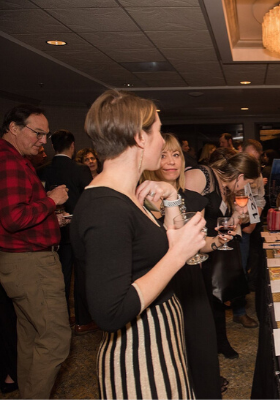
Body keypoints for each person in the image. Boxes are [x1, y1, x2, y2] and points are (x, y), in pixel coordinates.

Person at [70, 90, 207, 399]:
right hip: (140, 354)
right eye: (157, 130)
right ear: (139, 137)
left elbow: (151, 254)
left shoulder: (127, 195)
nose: (162, 140)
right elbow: (110, 311)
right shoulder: (106, 207)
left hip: (158, 339)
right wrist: (177, 254)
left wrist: (172, 198)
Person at [141, 133, 222, 398]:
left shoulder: (195, 199)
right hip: (159, 283)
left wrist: (218, 241)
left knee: (202, 347)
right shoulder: (140, 200)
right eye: (163, 154)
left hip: (190, 281)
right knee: (168, 354)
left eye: (176, 154)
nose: (170, 161)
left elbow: (200, 244)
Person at [0, 104, 71, 399]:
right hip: (30, 264)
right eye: (38, 134)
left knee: (30, 339)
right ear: (14, 128)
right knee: (55, 340)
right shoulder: (9, 161)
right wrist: (52, 201)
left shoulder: (16, 158)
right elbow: (13, 218)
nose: (43, 141)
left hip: (20, 262)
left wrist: (48, 218)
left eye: (46, 135)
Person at [185, 147, 261, 358]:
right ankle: (203, 359)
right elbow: (185, 220)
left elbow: (227, 226)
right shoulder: (203, 175)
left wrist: (237, 214)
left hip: (213, 249)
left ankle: (220, 344)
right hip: (196, 255)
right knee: (201, 312)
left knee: (216, 303)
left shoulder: (225, 187)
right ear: (241, 176)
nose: (247, 188)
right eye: (247, 183)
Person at [38, 129, 97, 334]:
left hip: (54, 228)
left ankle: (62, 320)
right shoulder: (80, 169)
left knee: (60, 277)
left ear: (53, 146)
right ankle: (82, 320)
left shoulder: (43, 169)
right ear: (72, 145)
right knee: (81, 278)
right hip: (79, 230)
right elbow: (90, 200)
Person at [240, 139, 267, 299]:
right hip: (226, 226)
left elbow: (259, 199)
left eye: (255, 159)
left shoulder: (257, 173)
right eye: (250, 157)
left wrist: (252, 225)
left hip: (245, 228)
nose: (252, 162)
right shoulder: (229, 170)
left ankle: (240, 311)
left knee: (243, 266)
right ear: (240, 151)